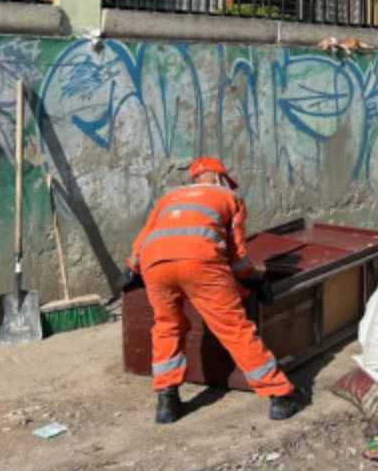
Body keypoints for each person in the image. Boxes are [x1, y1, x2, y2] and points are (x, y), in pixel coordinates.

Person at [127, 157, 306, 424]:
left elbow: (145, 237)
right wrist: (253, 279)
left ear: (194, 180)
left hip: (155, 265)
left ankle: (167, 402)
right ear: (221, 178)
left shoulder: (170, 197)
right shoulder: (229, 197)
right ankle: (280, 396)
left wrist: (132, 268)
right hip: (201, 264)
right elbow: (238, 255)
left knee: (167, 327)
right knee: (235, 330)